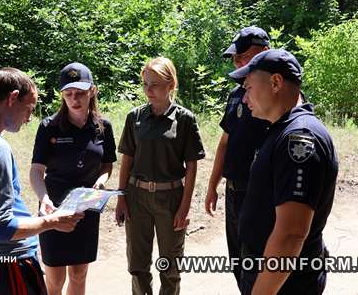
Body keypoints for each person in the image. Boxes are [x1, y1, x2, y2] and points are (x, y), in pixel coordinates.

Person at [0, 67, 83, 295]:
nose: (29, 117)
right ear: (12, 98)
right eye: (29, 107)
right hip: (7, 267)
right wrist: (53, 221)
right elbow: (1, 228)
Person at [229, 49, 338, 295]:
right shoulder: (282, 129)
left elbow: (292, 233)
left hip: (285, 283)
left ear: (275, 83)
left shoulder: (298, 138)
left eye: (248, 89)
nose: (245, 100)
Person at [115, 57, 206, 295]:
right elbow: (127, 160)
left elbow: (192, 166)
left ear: (171, 85)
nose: (149, 90)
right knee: (137, 264)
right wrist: (121, 198)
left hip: (171, 199)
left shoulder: (185, 119)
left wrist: (185, 206)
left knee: (170, 265)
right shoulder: (134, 117)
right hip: (137, 197)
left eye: (155, 84)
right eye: (145, 84)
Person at [29, 62, 117, 295]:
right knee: (55, 278)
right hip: (54, 207)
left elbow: (107, 164)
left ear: (92, 91)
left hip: (86, 207)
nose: (74, 99)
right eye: (68, 94)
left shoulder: (103, 127)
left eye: (80, 93)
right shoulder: (49, 126)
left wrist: (102, 180)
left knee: (79, 274)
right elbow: (36, 170)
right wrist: (44, 198)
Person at [204, 26, 271, 288]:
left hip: (260, 195)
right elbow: (225, 142)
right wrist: (213, 185)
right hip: (234, 193)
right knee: (239, 264)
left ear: (265, 52)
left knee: (258, 264)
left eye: (243, 56)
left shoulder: (276, 96)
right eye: (235, 57)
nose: (237, 62)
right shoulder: (236, 95)